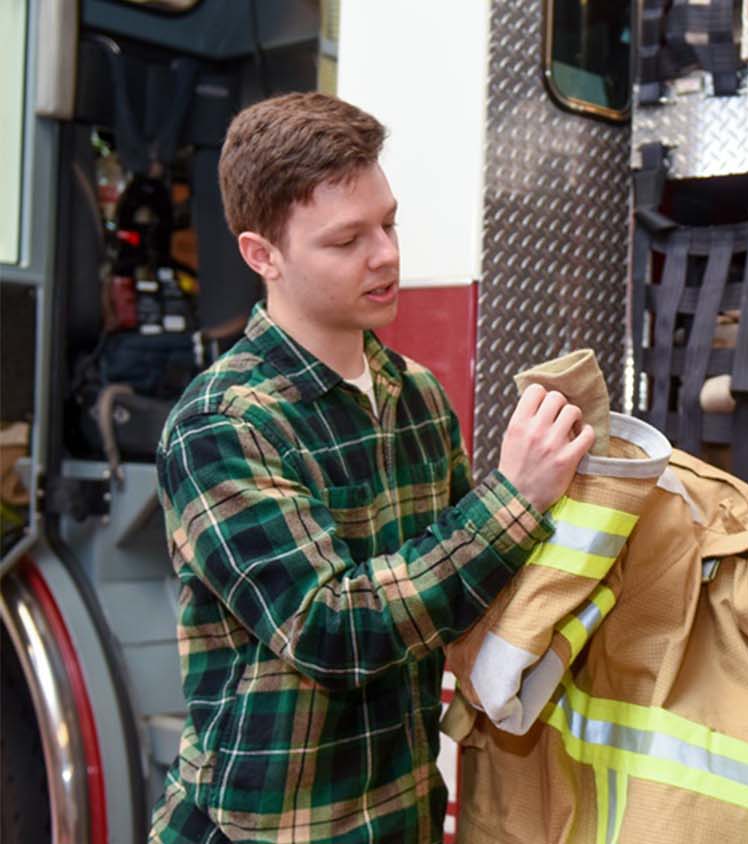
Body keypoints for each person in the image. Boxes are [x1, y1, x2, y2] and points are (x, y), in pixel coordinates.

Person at [148, 92, 594, 843]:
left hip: (402, 817)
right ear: (263, 255)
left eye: (387, 224)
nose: (386, 255)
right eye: (346, 240)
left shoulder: (415, 395)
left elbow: (468, 596)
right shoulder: (222, 425)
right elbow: (334, 632)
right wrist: (514, 498)